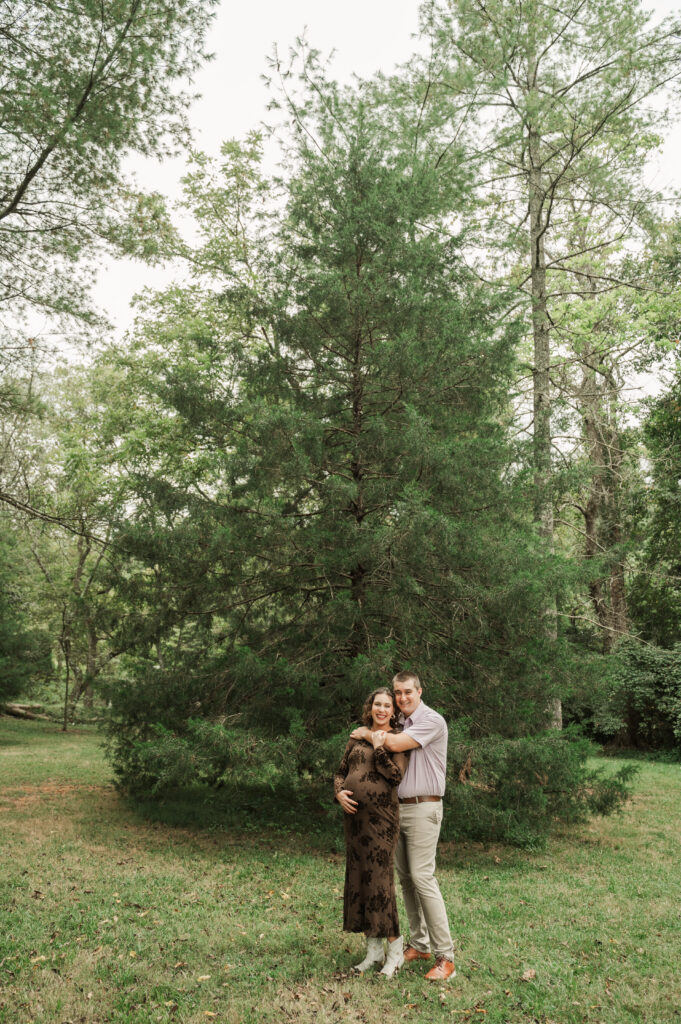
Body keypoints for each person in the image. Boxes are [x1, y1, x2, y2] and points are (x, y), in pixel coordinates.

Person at [351, 670, 456, 982]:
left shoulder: (431, 720)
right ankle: (420, 944)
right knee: (406, 879)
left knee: (423, 877)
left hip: (425, 807)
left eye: (408, 692)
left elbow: (393, 744)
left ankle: (445, 956)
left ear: (420, 691)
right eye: (398, 693)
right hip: (396, 810)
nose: (402, 698)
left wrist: (368, 733)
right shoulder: (401, 721)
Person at [333, 687, 409, 977]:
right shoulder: (355, 736)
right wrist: (339, 793)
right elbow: (340, 771)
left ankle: (396, 953)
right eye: (377, 704)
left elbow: (395, 776)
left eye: (387, 705)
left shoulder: (397, 741)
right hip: (354, 822)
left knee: (380, 885)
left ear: (393, 711)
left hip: (381, 821)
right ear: (370, 707)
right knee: (360, 879)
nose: (381, 709)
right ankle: (374, 952)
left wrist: (379, 747)